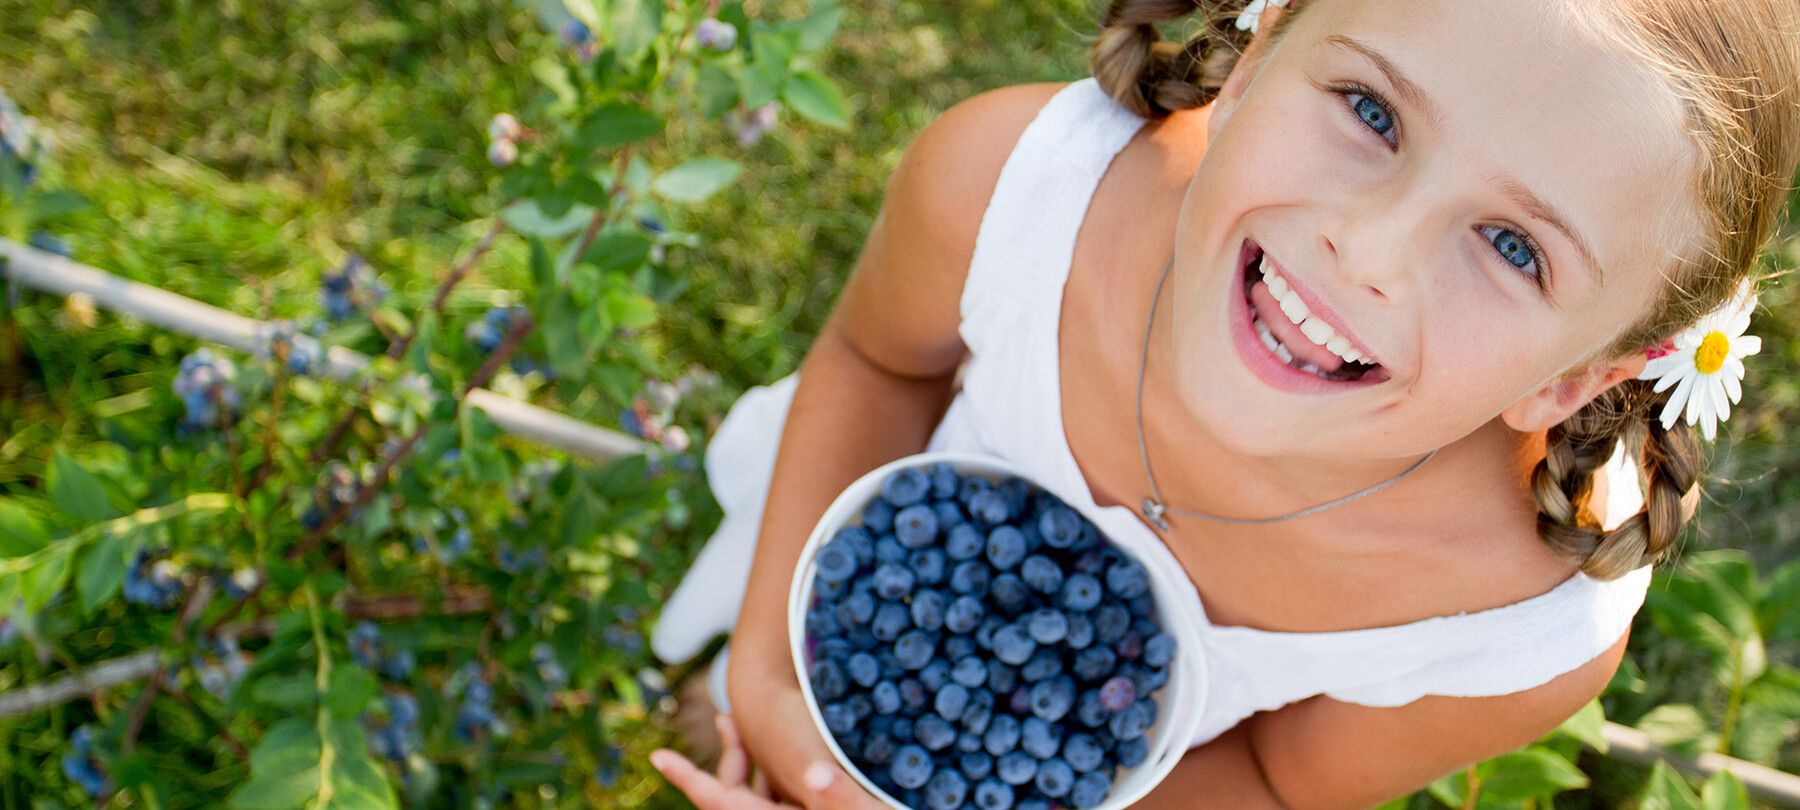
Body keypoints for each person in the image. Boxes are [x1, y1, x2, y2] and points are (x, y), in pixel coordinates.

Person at [646, 0, 1800, 807]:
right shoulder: (1010, 193)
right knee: (722, 727)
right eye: (1373, 113)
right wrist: (766, 671)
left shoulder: (1520, 625)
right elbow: (874, 364)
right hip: (840, 568)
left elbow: (1267, 786)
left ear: (1579, 378)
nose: (1368, 251)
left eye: (1511, 245)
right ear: (1257, 59)